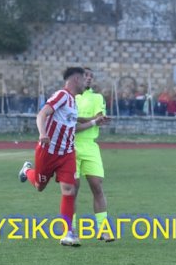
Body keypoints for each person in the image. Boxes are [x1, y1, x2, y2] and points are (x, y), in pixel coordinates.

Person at [18, 67, 106, 247]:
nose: (86, 82)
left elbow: (74, 120)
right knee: (39, 186)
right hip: (48, 151)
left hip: (66, 153)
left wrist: (95, 121)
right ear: (75, 79)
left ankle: (68, 233)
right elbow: (42, 114)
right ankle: (27, 170)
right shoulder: (62, 95)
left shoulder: (73, 102)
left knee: (69, 190)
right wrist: (43, 133)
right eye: (84, 78)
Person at [74, 67, 114, 241]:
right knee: (71, 190)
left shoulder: (97, 97)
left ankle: (103, 230)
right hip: (71, 146)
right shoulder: (70, 96)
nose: (89, 78)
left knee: (97, 187)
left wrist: (89, 119)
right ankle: (71, 230)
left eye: (91, 76)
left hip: (90, 146)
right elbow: (71, 119)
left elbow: (100, 118)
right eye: (85, 75)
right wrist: (94, 120)